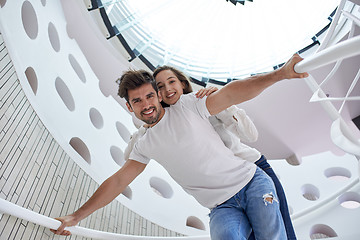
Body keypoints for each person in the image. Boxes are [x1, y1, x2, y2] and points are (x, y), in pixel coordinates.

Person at [51, 54, 308, 239]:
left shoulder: (187, 105)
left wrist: (281, 74)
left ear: (159, 96)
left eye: (150, 95)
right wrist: (76, 216)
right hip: (222, 207)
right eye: (137, 101)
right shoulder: (143, 144)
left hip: (252, 182)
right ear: (129, 107)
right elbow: (118, 181)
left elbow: (232, 93)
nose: (146, 104)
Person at [123, 65, 297, 240]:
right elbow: (129, 158)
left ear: (182, 84)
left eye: (171, 81)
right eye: (160, 86)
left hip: (252, 170)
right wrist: (145, 128)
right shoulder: (160, 128)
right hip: (225, 195)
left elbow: (251, 135)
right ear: (158, 95)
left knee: (279, 231)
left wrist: (226, 103)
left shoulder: (203, 102)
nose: (167, 89)